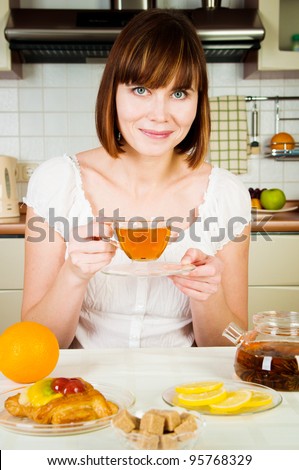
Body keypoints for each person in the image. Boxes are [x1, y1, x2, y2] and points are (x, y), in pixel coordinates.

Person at [22, 9, 251, 349]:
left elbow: (232, 345)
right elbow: (36, 343)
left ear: (198, 101)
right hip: (85, 392)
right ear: (113, 92)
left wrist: (207, 296)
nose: (159, 115)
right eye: (141, 89)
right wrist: (74, 274)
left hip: (185, 394)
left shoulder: (228, 195)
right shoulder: (57, 182)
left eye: (179, 94)